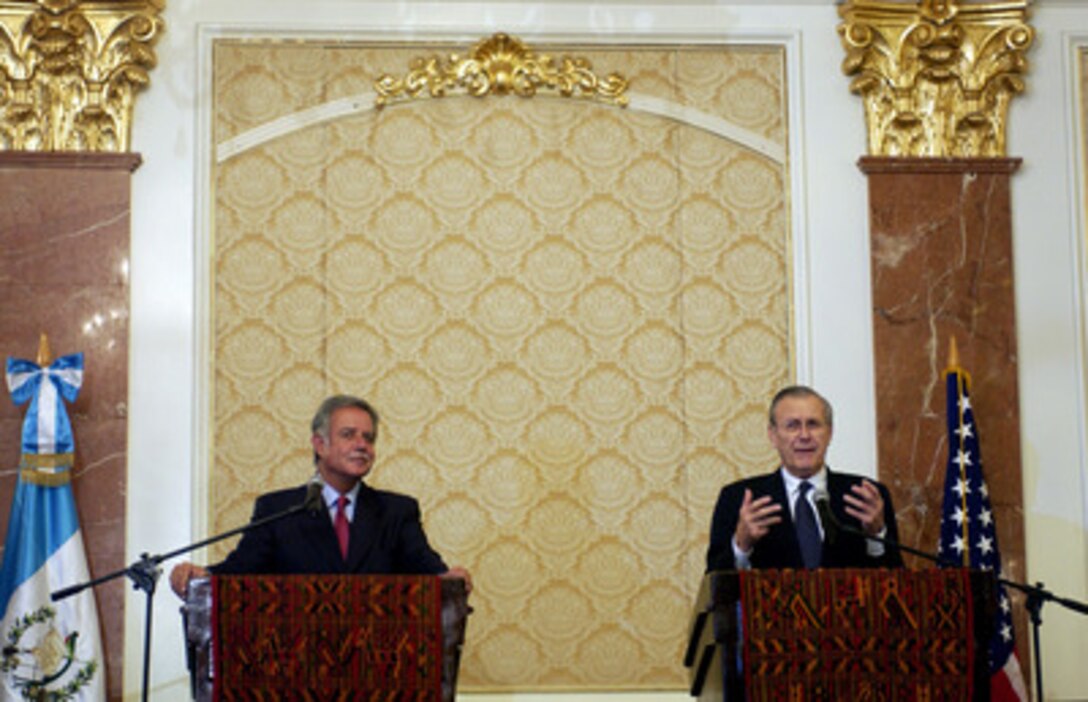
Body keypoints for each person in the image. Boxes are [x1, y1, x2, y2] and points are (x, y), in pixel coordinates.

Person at [170, 395, 471, 596]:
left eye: (368, 438)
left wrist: (449, 578)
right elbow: (240, 571)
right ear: (320, 444)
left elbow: (428, 571)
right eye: (348, 434)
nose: (361, 445)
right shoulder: (278, 509)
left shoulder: (397, 511)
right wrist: (200, 575)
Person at [706, 385, 903, 571]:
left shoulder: (864, 496)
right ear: (773, 435)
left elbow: (898, 584)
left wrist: (876, 536)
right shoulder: (740, 499)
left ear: (830, 433)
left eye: (813, 424)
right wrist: (742, 546)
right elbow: (714, 588)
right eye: (792, 426)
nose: (804, 435)